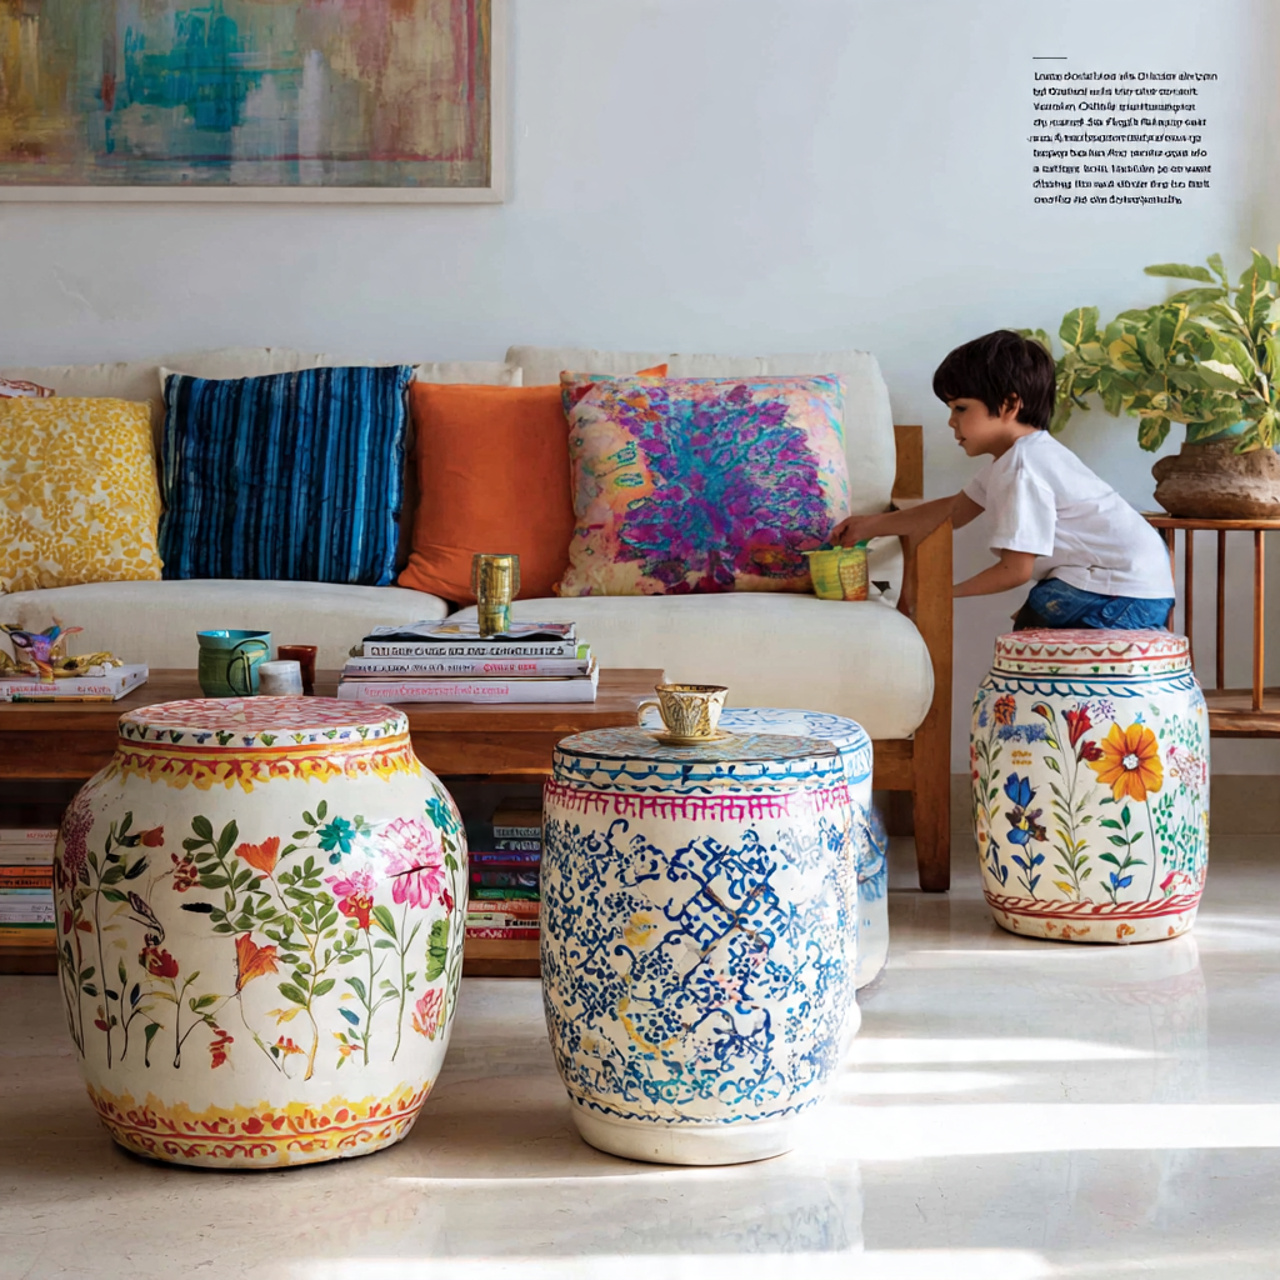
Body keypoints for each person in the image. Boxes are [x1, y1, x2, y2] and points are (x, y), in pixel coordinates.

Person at [832, 330, 1175, 629]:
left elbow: (1014, 570)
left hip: (1122, 590)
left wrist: (940, 595)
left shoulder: (1024, 468)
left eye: (960, 408)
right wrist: (871, 525)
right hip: (1130, 584)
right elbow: (952, 511)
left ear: (1010, 405)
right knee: (1037, 611)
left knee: (1036, 619)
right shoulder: (1019, 459)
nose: (951, 422)